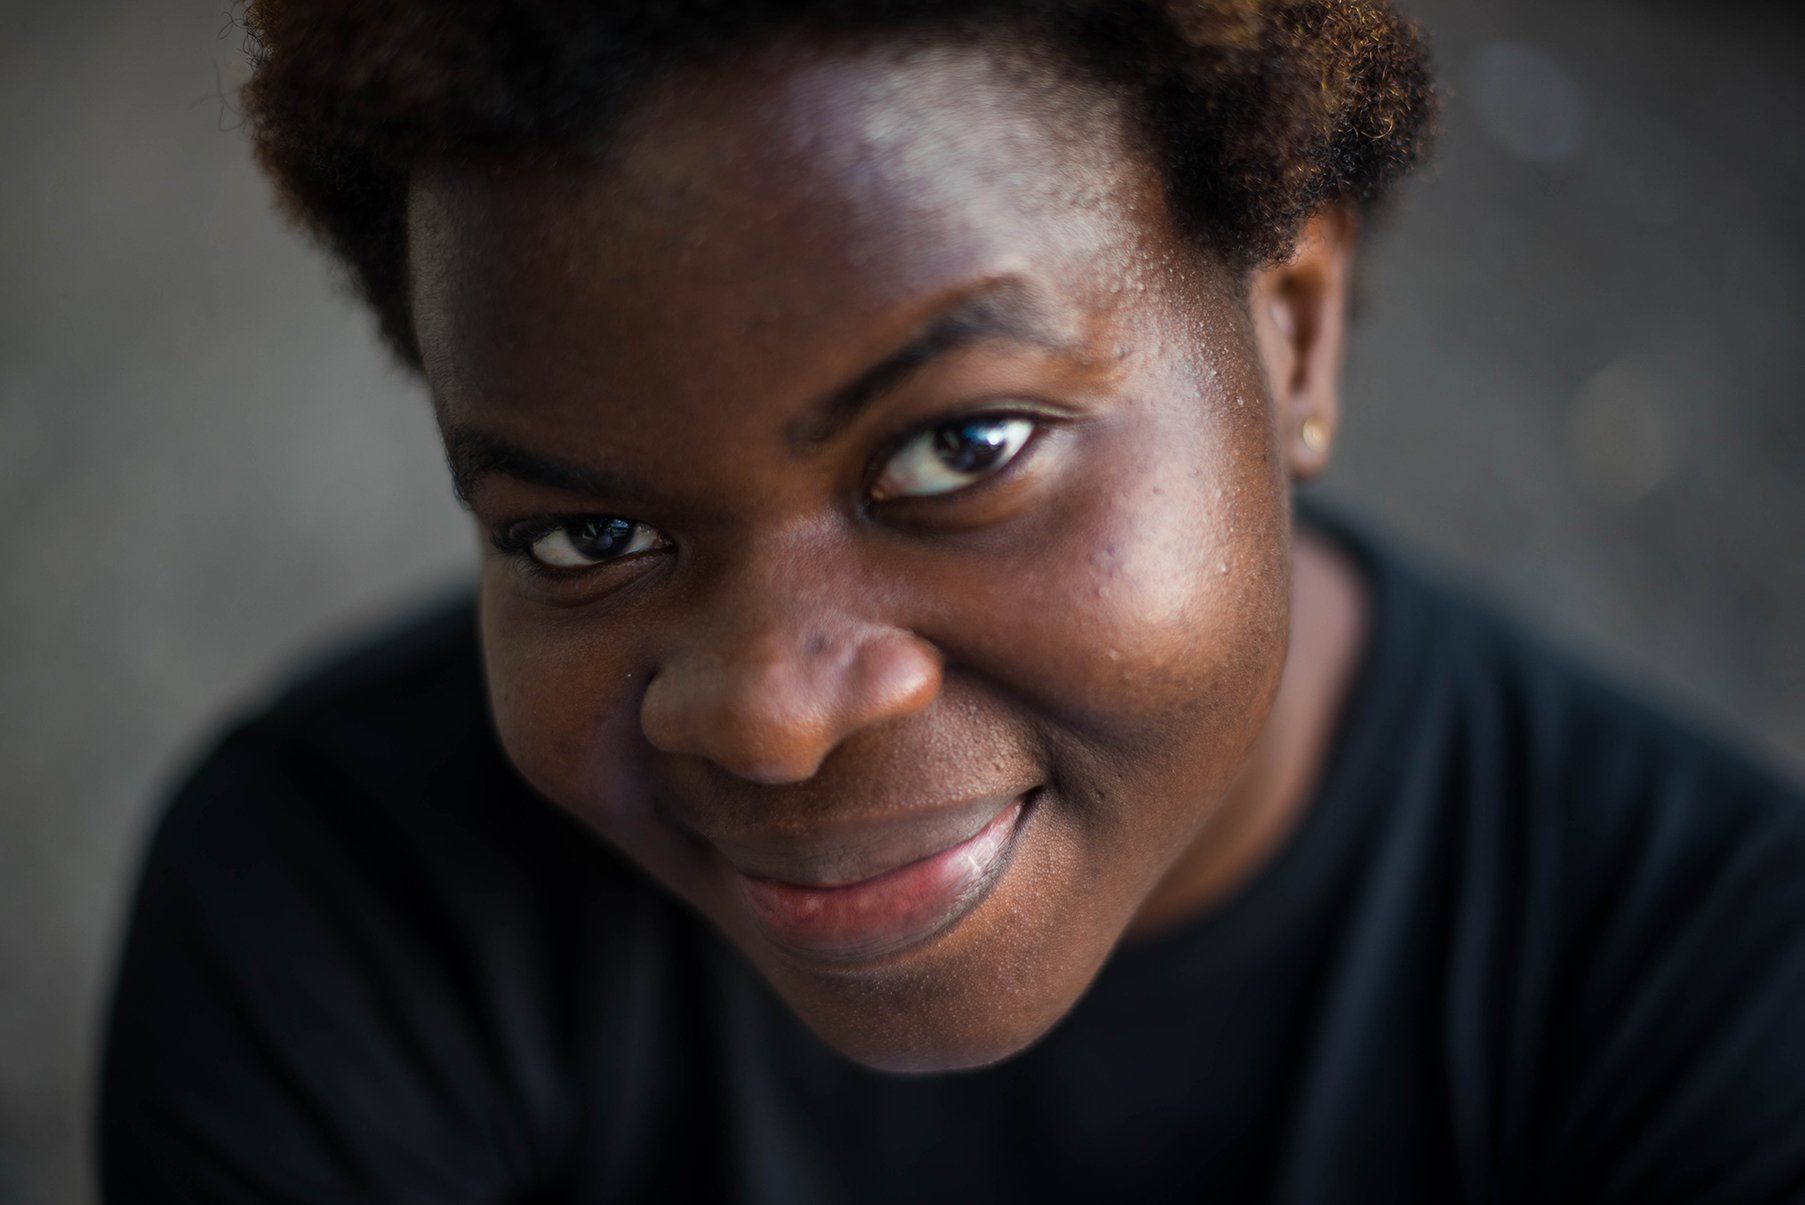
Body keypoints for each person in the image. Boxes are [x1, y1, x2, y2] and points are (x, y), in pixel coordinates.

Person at [99, 1, 1805, 1200]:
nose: (766, 709)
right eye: (585, 537)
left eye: (958, 447)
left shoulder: (1707, 999)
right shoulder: (328, 920)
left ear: (1292, 321)